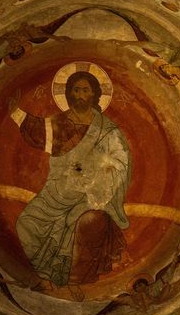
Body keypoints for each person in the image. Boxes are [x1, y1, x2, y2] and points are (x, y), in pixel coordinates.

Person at [12, 70, 131, 286]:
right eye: (76, 90)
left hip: (90, 194)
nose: (80, 95)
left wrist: (97, 172)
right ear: (68, 94)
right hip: (56, 192)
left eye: (85, 90)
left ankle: (65, 274)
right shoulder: (59, 122)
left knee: (75, 224)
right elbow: (38, 131)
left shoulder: (106, 129)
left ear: (95, 95)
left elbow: (120, 162)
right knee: (25, 223)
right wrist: (16, 113)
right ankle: (45, 273)